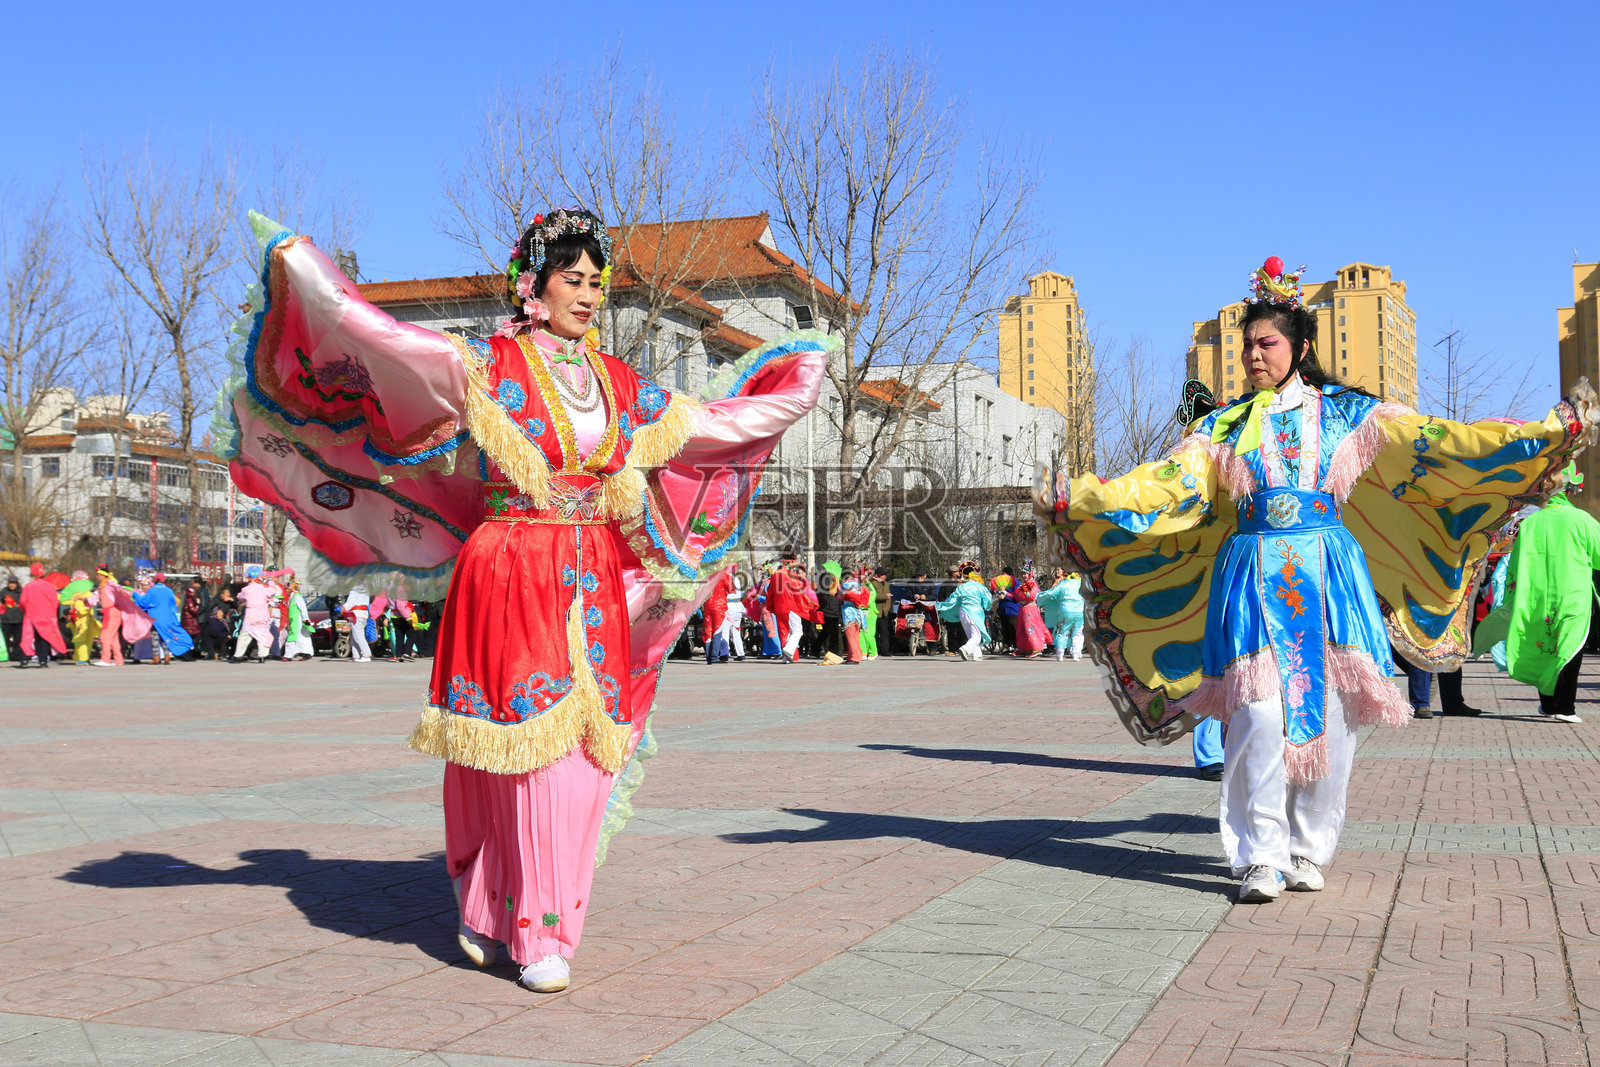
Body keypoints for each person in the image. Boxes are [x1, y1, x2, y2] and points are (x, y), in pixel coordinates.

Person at [217, 207, 824, 993]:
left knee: (583, 762)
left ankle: (538, 919)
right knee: (515, 755)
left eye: (597, 282)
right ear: (532, 284)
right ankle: (500, 908)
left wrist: (789, 396)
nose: (590, 295)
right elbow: (386, 343)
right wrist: (309, 274)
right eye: (574, 279)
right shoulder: (487, 368)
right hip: (510, 569)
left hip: (593, 578)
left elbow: (702, 425)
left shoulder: (617, 383)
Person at [1035, 257, 1596, 903]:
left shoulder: (1350, 415)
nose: (1252, 354)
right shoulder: (1220, 427)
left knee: (1331, 715)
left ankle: (1307, 847)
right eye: (1246, 344)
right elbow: (1164, 482)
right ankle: (1258, 856)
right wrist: (1087, 494)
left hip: (1330, 572)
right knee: (1256, 715)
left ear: (1299, 346)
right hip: (1251, 574)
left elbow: (1445, 440)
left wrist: (1541, 437)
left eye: (1265, 342)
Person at [1499, 466, 1600, 723]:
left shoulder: (1530, 522)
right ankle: (1565, 707)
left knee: (1543, 646)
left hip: (1536, 597)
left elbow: (1516, 565)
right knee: (1571, 648)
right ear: (1567, 491)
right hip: (1572, 596)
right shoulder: (1582, 519)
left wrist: (1512, 597)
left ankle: (1548, 704)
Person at [132, 573, 194, 665]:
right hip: (168, 618)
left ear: (155, 580)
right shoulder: (169, 591)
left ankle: (156, 658)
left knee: (155, 638)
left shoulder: (152, 591)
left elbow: (144, 603)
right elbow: (173, 605)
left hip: (156, 618)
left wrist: (135, 595)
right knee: (166, 636)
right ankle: (167, 657)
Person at [19, 563, 68, 667]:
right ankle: (43, 661)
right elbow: (55, 602)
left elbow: (23, 601)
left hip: (31, 615)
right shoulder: (49, 586)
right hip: (45, 615)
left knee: (28, 637)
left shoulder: (28, 586)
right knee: (44, 637)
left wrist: (25, 609)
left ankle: (24, 660)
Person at [937, 569, 993, 660]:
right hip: (974, 613)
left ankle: (977, 655)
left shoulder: (961, 587)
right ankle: (965, 648)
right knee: (976, 636)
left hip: (963, 612)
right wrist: (987, 607)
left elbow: (952, 600)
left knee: (971, 635)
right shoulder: (980, 587)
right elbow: (987, 601)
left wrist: (943, 607)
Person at [1036, 567, 1084, 662]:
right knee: (1078, 632)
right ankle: (1075, 654)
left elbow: (1051, 593)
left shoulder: (1063, 584)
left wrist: (1039, 596)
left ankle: (1060, 654)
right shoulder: (1081, 584)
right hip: (1079, 611)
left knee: (1062, 631)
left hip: (1065, 610)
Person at [233, 566, 274, 663]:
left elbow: (240, 597)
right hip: (262, 616)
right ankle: (262, 656)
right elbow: (272, 592)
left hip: (250, 617)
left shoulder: (246, 589)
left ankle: (237, 655)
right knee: (262, 636)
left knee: (244, 637)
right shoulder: (263, 589)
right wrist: (270, 582)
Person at [1012, 564, 1051, 658]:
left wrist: (1025, 592)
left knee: (1031, 628)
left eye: (1025, 574)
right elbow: (1017, 596)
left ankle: (1036, 648)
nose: (1023, 575)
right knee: (1022, 629)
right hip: (1022, 609)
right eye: (1022, 573)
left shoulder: (1033, 584)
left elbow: (1034, 596)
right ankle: (1024, 649)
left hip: (1030, 609)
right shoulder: (1023, 585)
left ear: (1030, 574)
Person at [839, 571, 872, 663]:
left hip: (850, 612)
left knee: (851, 635)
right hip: (856, 611)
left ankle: (854, 657)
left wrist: (839, 588)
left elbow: (848, 594)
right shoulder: (860, 585)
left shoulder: (851, 584)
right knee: (855, 635)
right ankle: (854, 655)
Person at [285, 578, 316, 660]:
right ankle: (304, 653)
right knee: (299, 636)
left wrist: (306, 620)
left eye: (288, 586)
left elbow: (303, 609)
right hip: (293, 620)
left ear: (293, 586)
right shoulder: (291, 597)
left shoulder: (297, 597)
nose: (286, 588)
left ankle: (289, 655)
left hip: (298, 620)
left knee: (297, 636)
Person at [344, 584, 372, 663]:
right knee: (356, 635)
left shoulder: (355, 590)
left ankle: (366, 655)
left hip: (356, 613)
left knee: (358, 636)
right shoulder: (365, 589)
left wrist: (344, 607)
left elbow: (350, 602)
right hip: (363, 613)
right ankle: (356, 655)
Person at [2, 575, 24, 664]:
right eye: (10, 583)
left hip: (19, 619)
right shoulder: (3, 592)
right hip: (6, 620)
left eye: (13, 583)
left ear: (16, 584)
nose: (11, 585)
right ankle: (6, 655)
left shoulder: (22, 592)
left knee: (18, 639)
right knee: (5, 639)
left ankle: (16, 655)